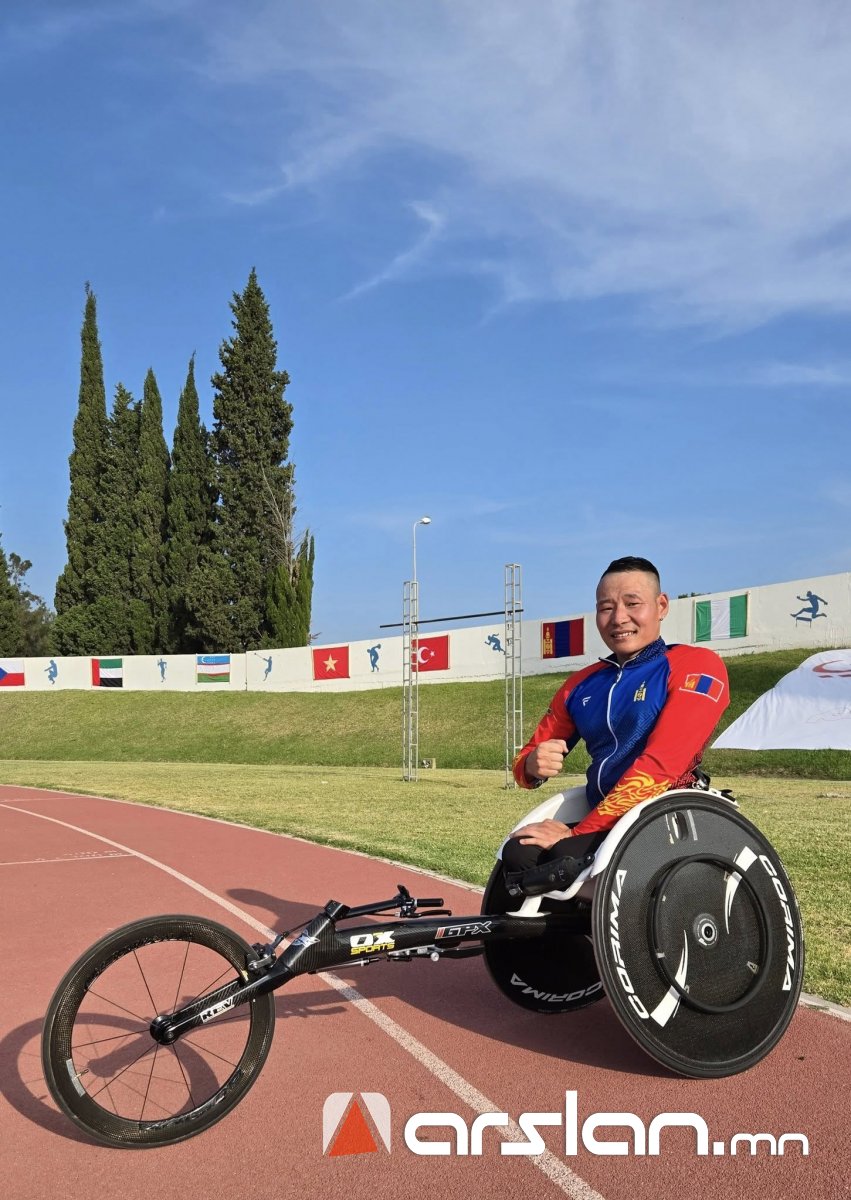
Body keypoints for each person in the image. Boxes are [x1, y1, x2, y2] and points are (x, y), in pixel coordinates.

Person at [503, 556, 730, 896]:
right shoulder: (580, 684)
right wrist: (533, 765)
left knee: (562, 859)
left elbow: (661, 767)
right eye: (606, 608)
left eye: (632, 604)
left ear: (661, 606)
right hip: (602, 819)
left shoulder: (696, 664)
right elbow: (522, 766)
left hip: (664, 818)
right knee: (519, 852)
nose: (619, 618)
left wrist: (575, 834)